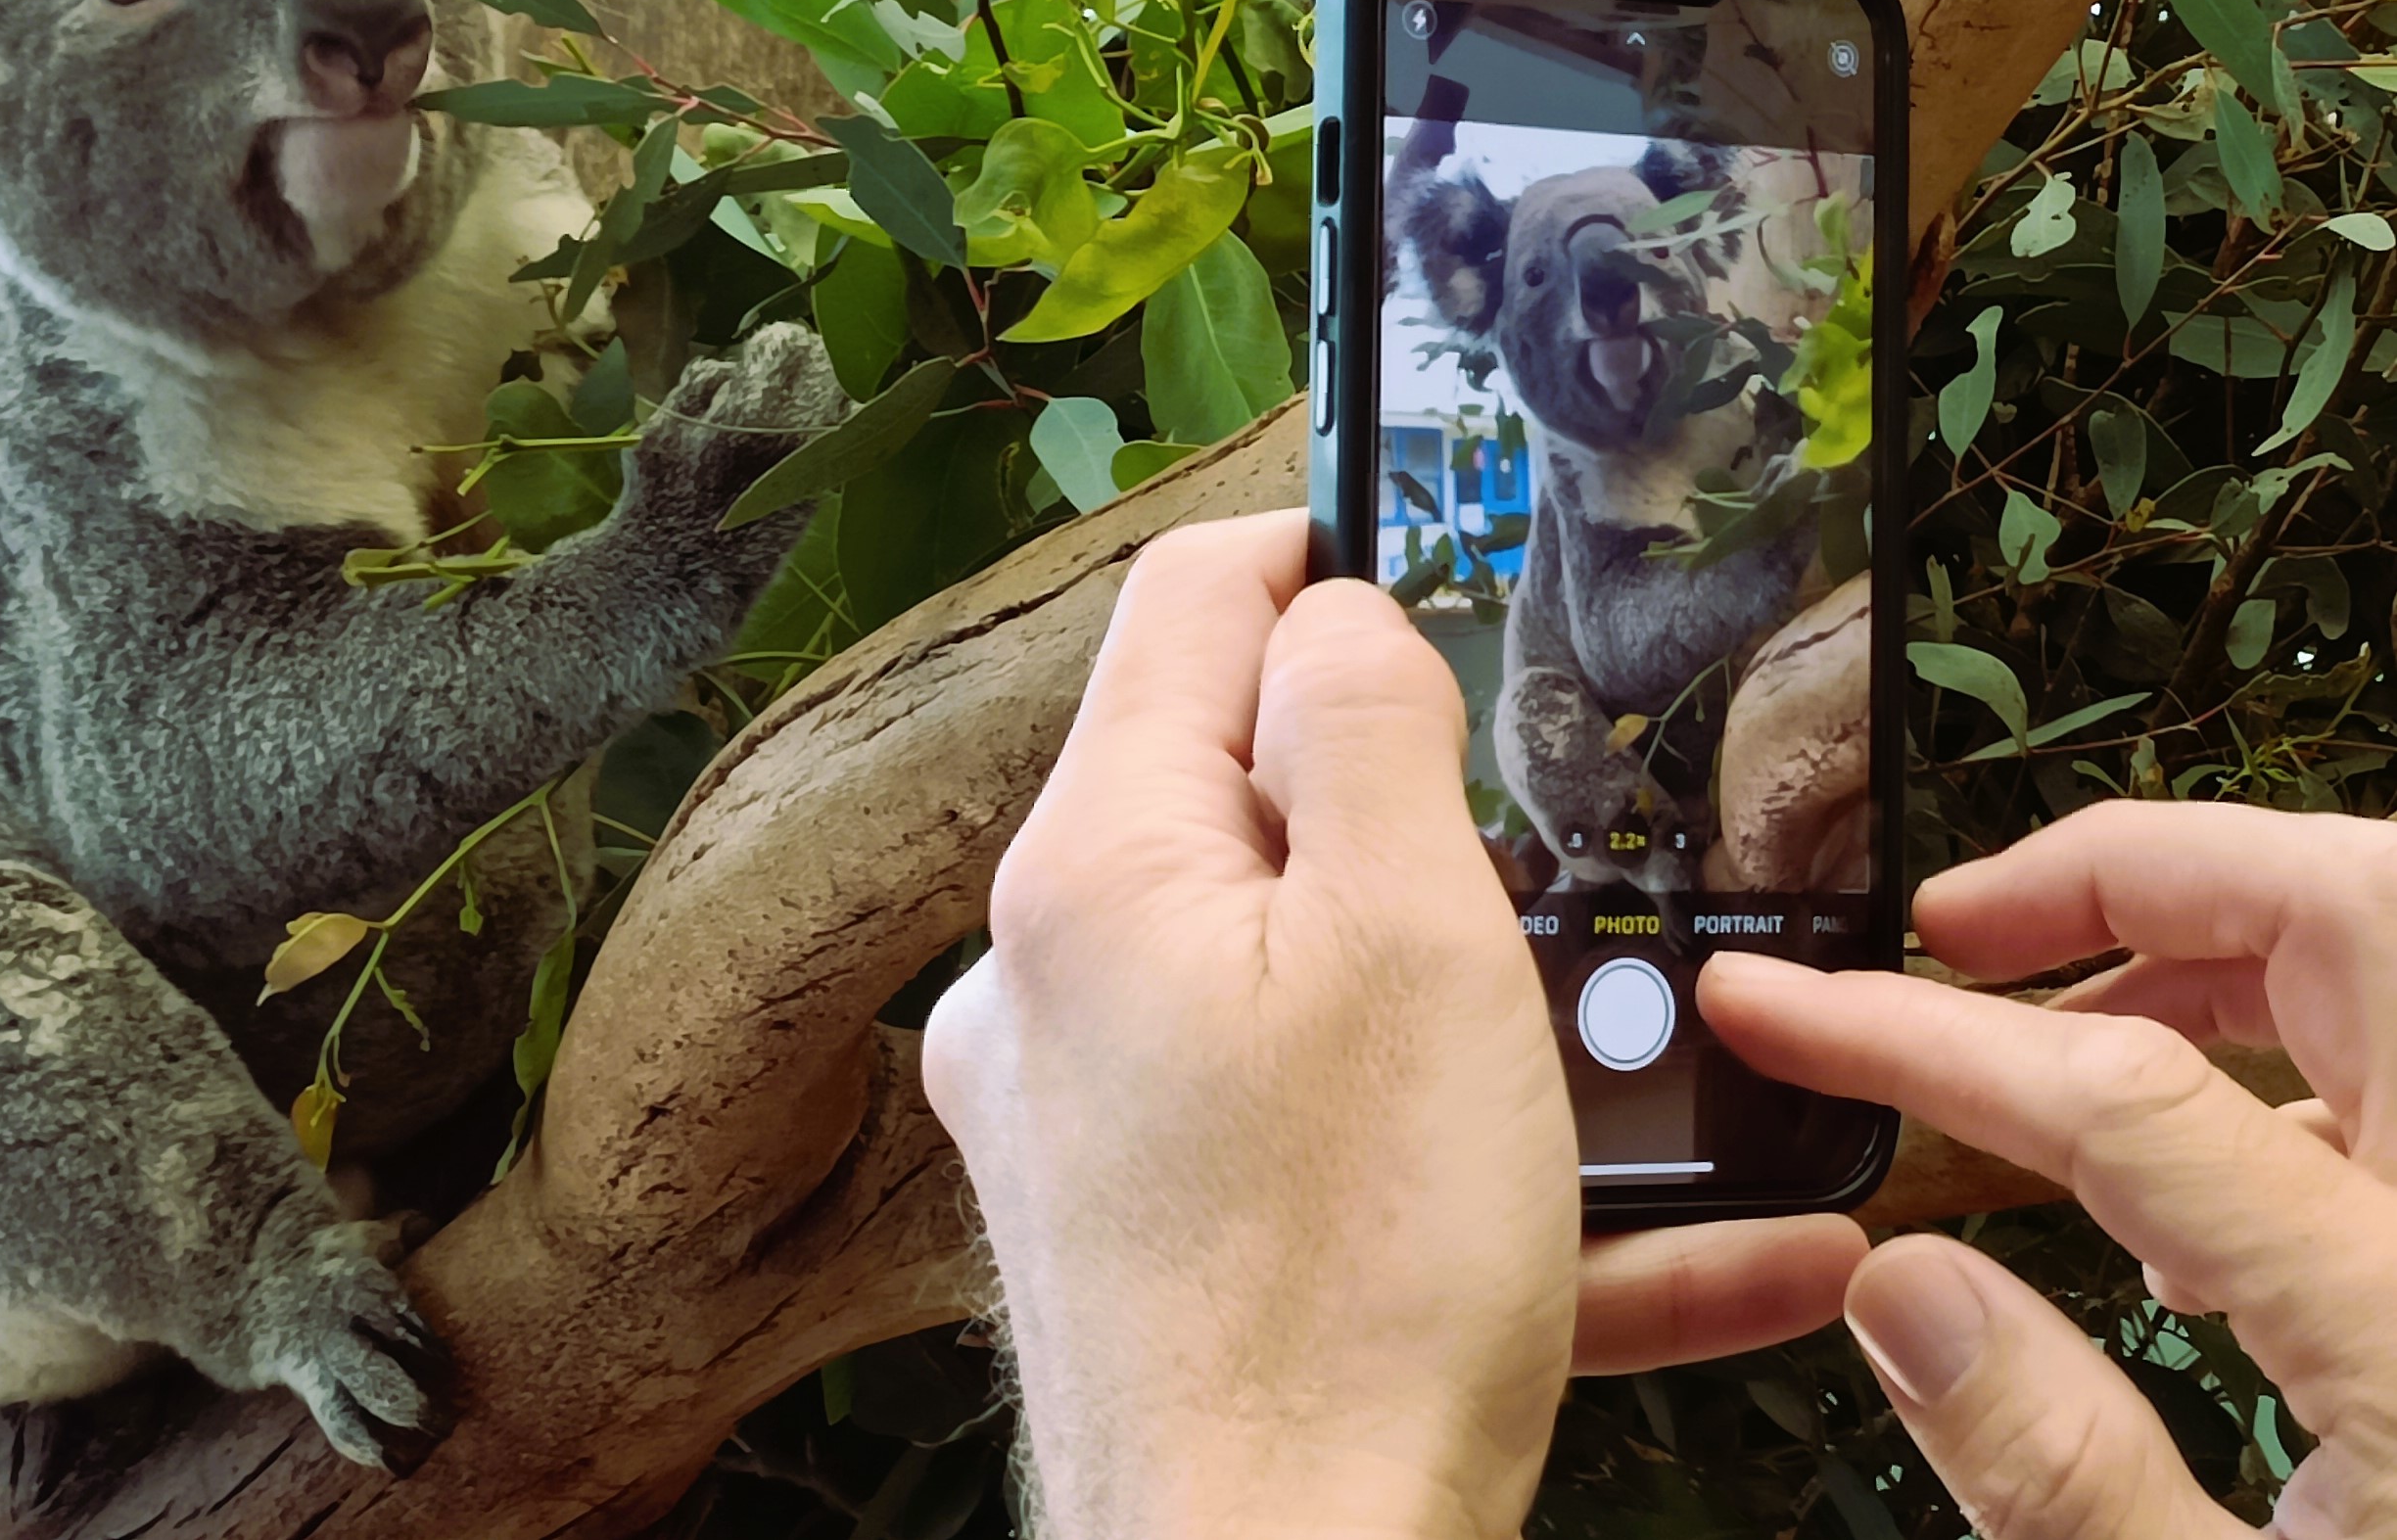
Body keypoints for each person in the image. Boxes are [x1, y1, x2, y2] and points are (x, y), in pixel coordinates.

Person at [923, 513, 2397, 1540]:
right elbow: (1612, 654)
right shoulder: (1594, 527)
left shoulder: (1744, 461)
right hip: (1633, 820)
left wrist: (1225, 1477)